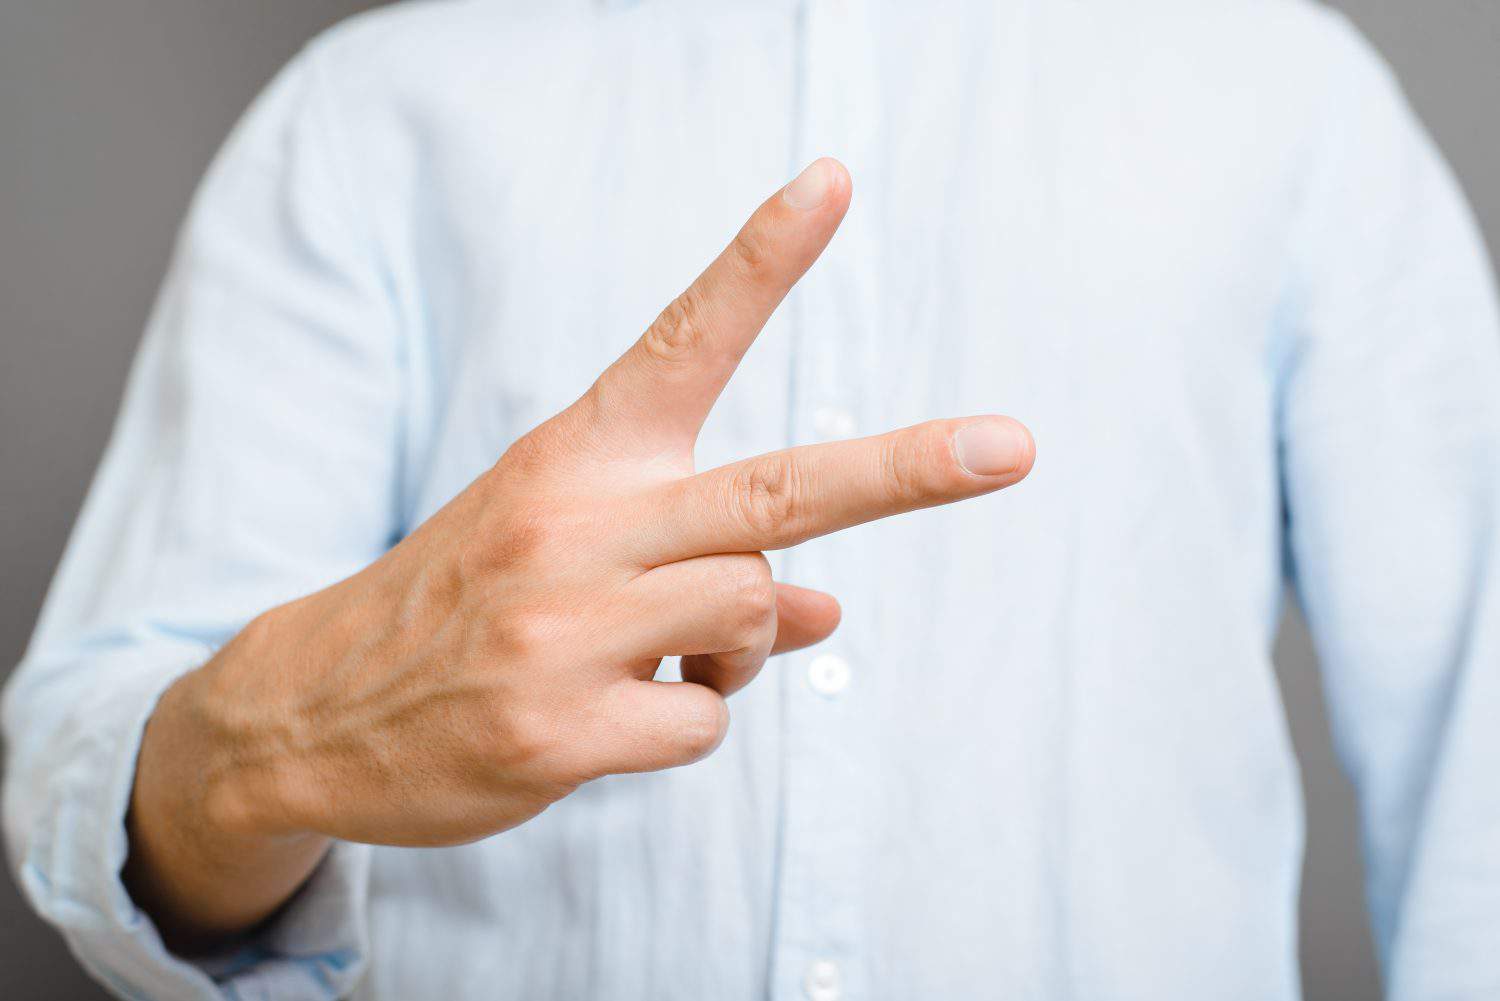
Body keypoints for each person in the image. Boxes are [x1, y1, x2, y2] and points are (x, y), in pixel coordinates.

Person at [5, 1, 1498, 998]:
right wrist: (287, 735)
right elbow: (92, 757)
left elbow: (1476, 758)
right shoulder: (378, 108)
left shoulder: (1288, 95)